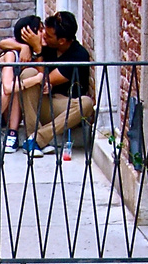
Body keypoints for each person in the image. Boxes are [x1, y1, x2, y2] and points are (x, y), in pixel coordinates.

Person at [21, 11, 96, 156]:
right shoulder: (48, 45)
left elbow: (45, 80)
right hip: (41, 103)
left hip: (63, 108)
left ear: (61, 40)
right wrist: (24, 47)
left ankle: (36, 139)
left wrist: (37, 51)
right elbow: (4, 43)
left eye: (48, 35)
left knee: (86, 103)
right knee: (28, 74)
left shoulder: (78, 55)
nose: (43, 36)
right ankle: (33, 135)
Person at [0, 15, 43, 151]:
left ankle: (15, 134)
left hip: (15, 105)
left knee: (17, 85)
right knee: (13, 87)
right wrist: (36, 79)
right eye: (40, 30)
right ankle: (12, 133)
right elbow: (7, 87)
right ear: (29, 34)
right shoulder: (12, 54)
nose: (43, 33)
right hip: (0, 105)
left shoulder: (34, 54)